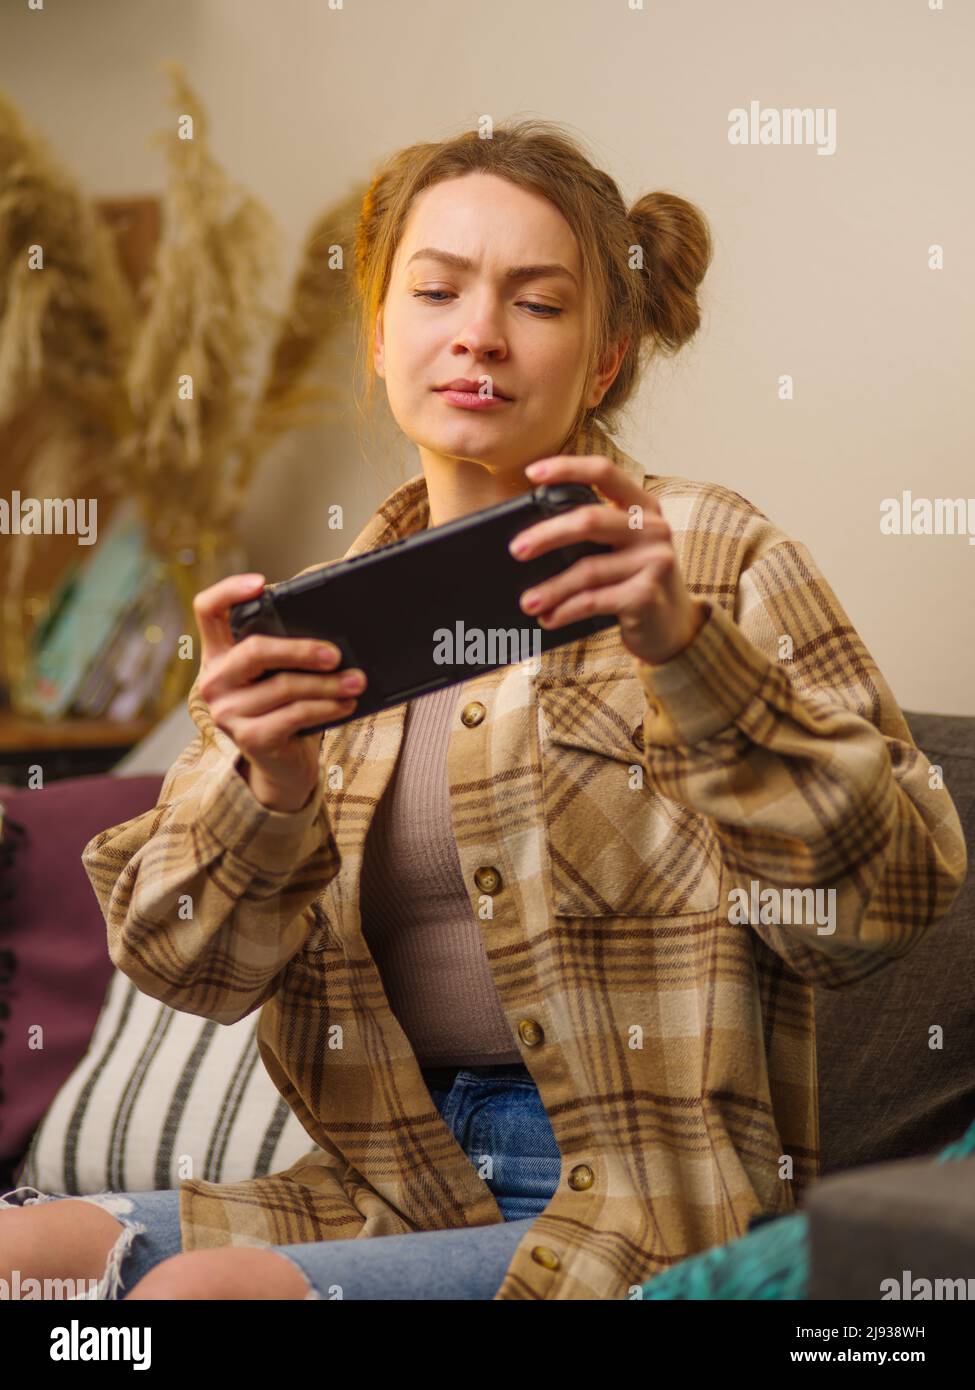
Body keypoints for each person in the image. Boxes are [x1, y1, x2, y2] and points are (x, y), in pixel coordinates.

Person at [1, 119, 966, 1301]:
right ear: (381, 331)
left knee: (192, 1304)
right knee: (16, 1262)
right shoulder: (310, 634)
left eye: (540, 304)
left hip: (640, 1211)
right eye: (437, 290)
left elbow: (885, 902)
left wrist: (689, 657)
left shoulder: (708, 557)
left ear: (603, 360)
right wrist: (270, 788)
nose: (478, 333)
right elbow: (183, 968)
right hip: (382, 1187)